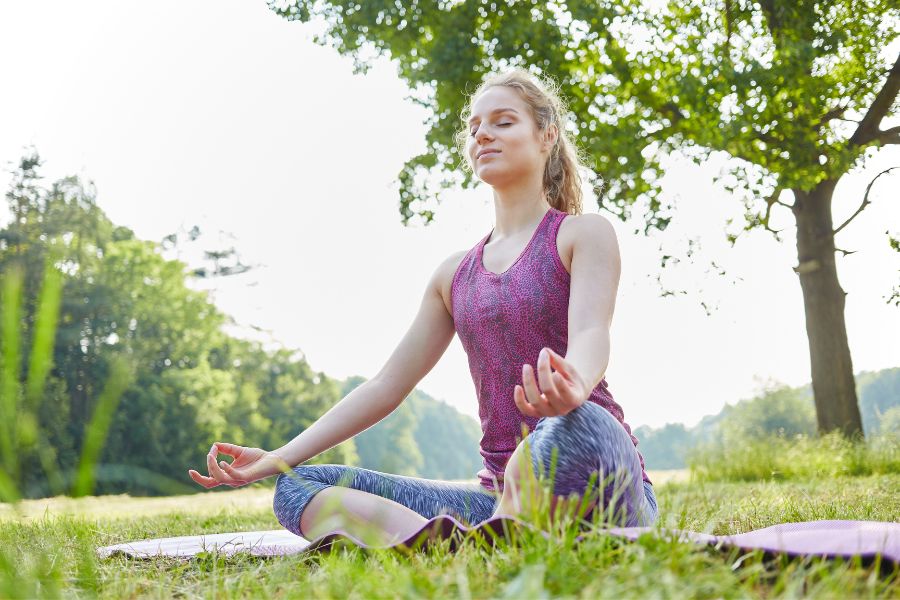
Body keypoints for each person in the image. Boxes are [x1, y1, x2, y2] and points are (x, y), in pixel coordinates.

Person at [189, 68, 657, 545]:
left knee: (561, 428)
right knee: (297, 486)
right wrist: (279, 457)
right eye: (474, 128)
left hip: (594, 463)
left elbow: (592, 334)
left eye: (503, 122)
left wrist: (575, 382)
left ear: (547, 135)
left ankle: (489, 537)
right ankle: (460, 545)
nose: (483, 135)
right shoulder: (453, 275)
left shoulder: (582, 233)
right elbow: (386, 386)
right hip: (494, 499)